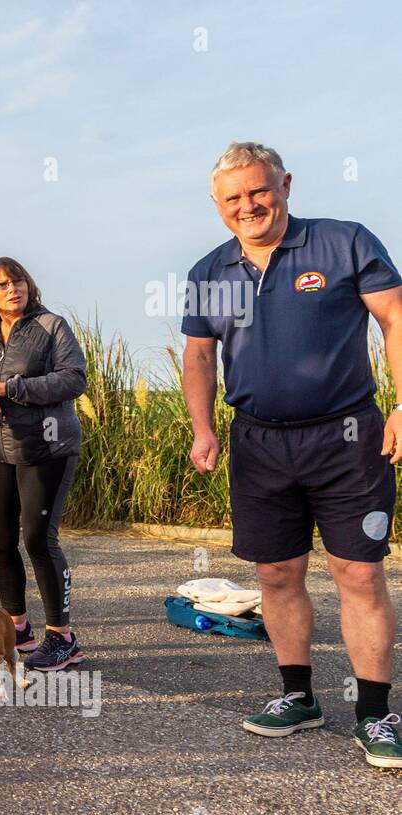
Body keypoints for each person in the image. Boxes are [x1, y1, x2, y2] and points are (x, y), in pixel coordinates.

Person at [182, 141, 402, 768]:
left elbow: (395, 318)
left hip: (347, 437)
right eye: (233, 199)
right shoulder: (212, 273)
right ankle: (298, 697)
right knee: (276, 574)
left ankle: (374, 715)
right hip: (258, 441)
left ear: (285, 184)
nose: (248, 206)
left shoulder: (342, 243)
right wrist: (204, 428)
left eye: (259, 191)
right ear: (218, 206)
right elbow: (199, 355)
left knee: (358, 573)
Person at [0, 257, 87, 671]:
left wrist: (6, 387)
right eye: (1, 285)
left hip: (45, 449)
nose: (12, 289)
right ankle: (18, 627)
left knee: (37, 540)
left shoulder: (52, 327)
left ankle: (62, 638)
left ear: (28, 285)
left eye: (17, 281)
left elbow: (73, 379)